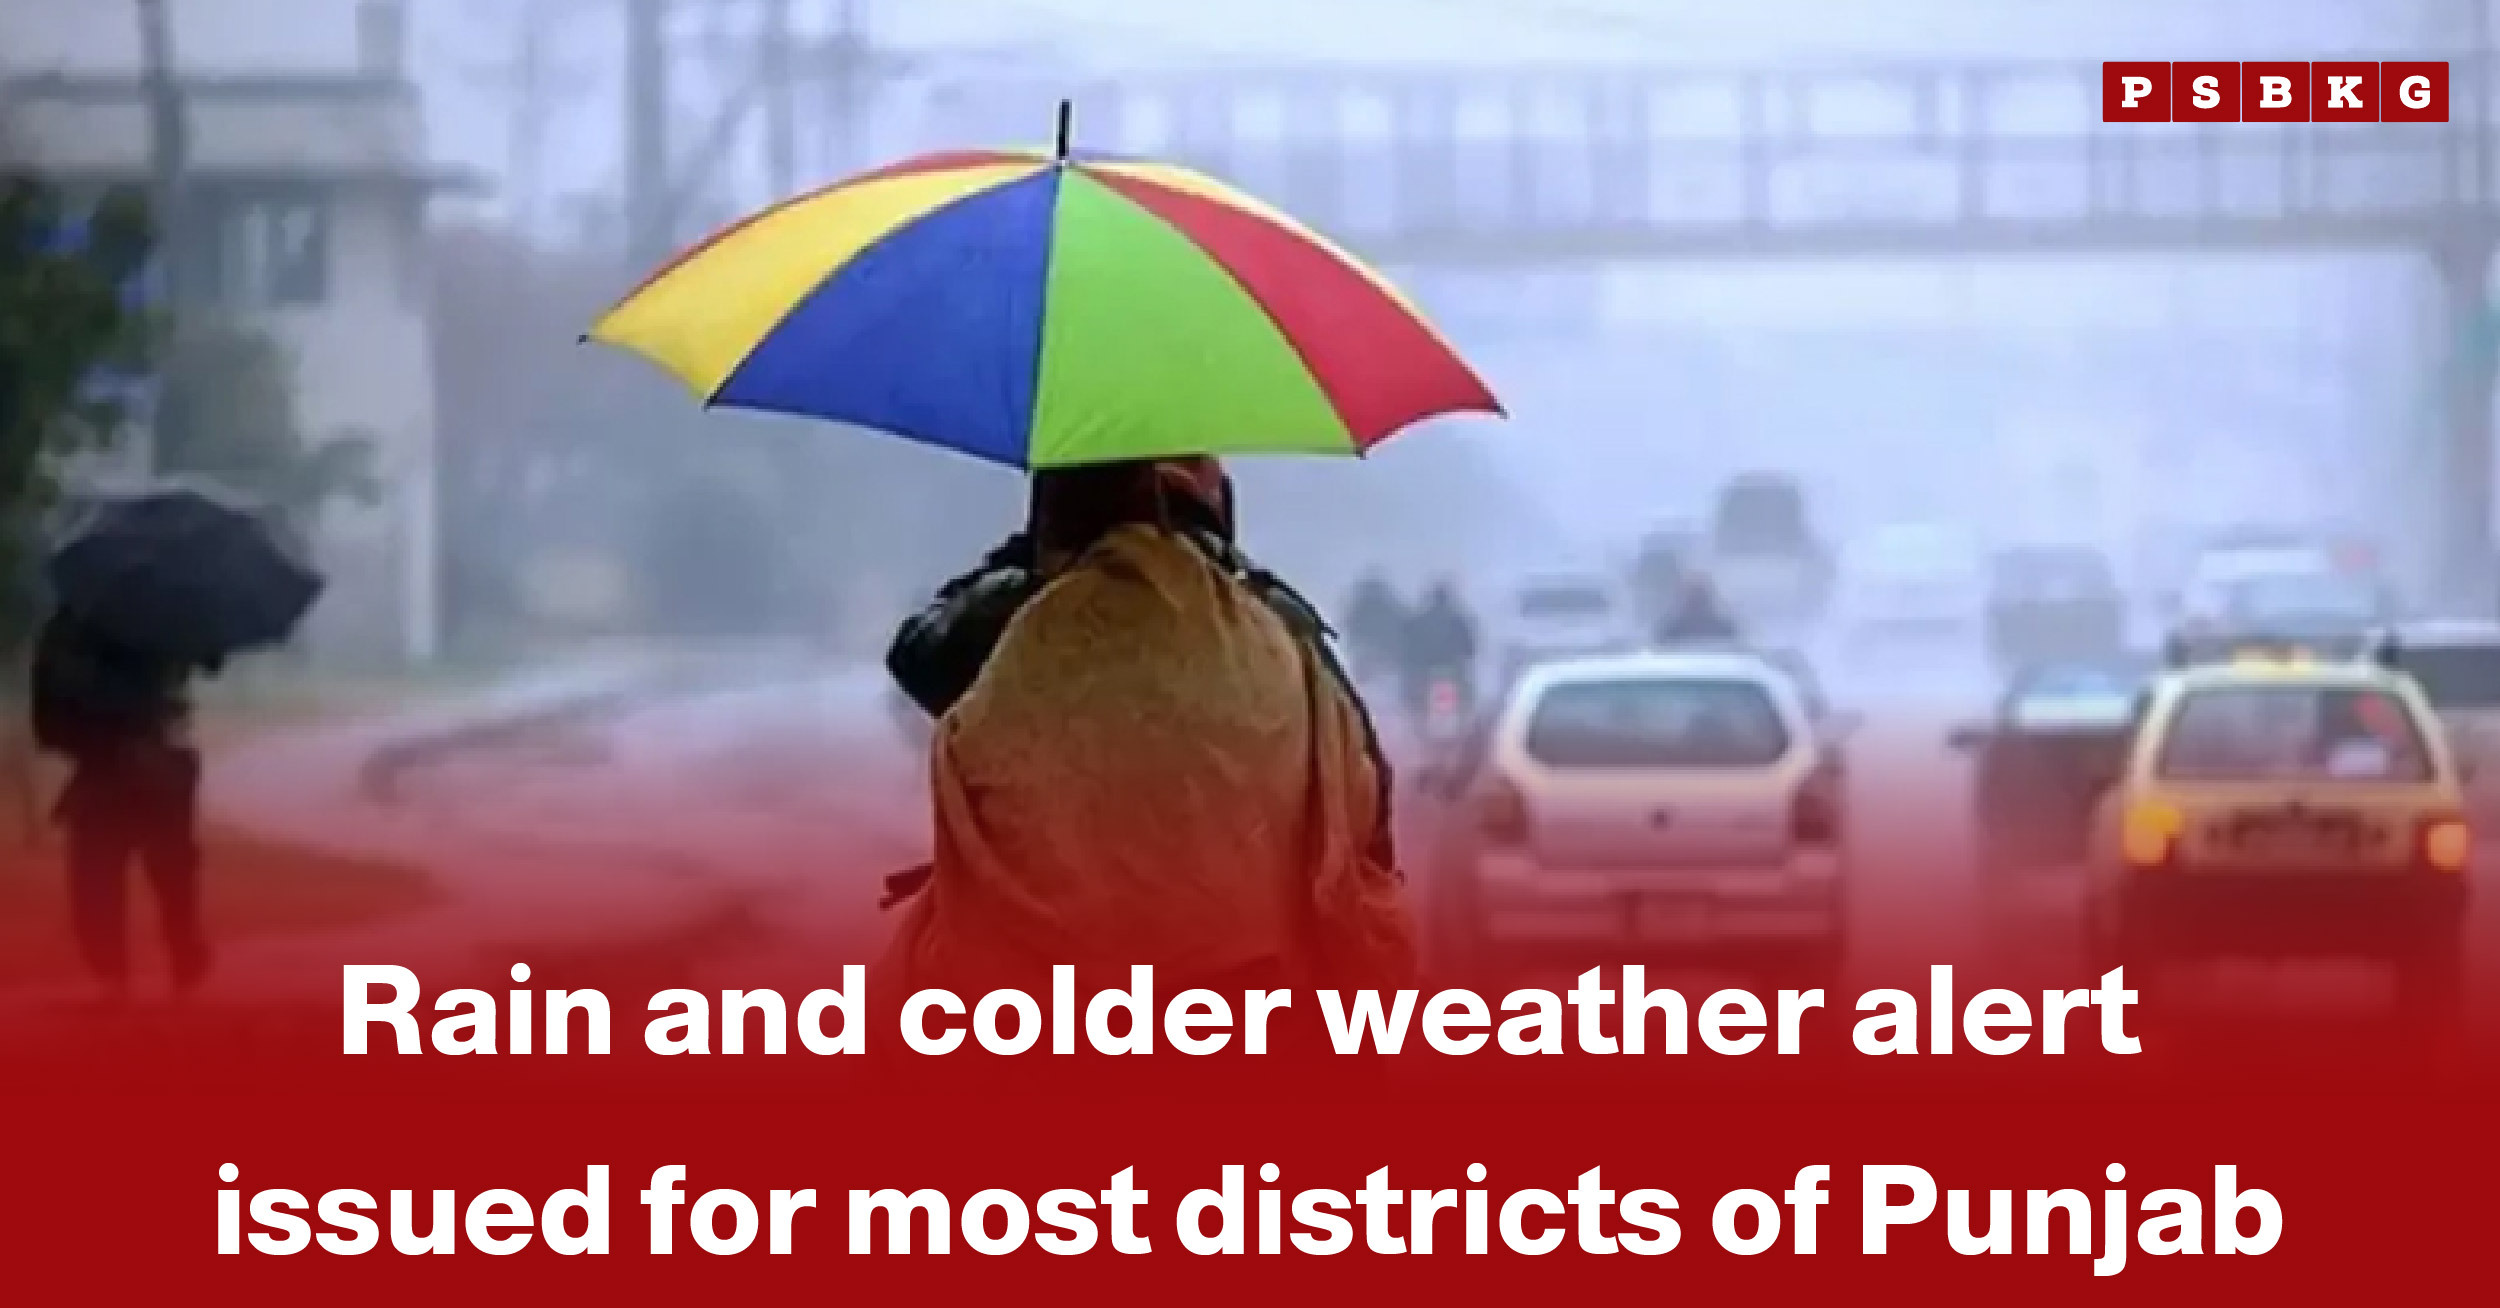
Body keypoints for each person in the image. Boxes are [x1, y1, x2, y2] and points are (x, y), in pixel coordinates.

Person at [876, 459, 1413, 999]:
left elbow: (922, 656)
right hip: (1253, 991)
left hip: (1056, 999)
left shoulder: (1022, 617)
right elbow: (1364, 790)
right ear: (1215, 508)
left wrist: (1028, 553)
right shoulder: (1268, 624)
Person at [28, 608, 212, 995]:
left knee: (98, 872)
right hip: (148, 764)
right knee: (169, 869)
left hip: (105, 767)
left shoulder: (68, 629)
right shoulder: (168, 621)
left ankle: (115, 966)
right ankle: (180, 950)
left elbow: (49, 705)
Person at [1398, 579, 1478, 718]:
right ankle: (1465, 715)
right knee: (1467, 693)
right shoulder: (1458, 619)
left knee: (1413, 694)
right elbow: (1470, 645)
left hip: (1426, 667)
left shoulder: (1421, 620)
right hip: (1450, 666)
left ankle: (1415, 715)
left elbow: (1408, 644)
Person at [1341, 572, 1406, 684]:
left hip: (1370, 650)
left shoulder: (1360, 606)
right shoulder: (1388, 604)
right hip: (1380, 650)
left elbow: (1349, 623)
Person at [1653, 569, 1744, 647]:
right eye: (1692, 596)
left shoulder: (1725, 629)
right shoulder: (1671, 630)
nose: (1696, 600)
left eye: (1699, 595)